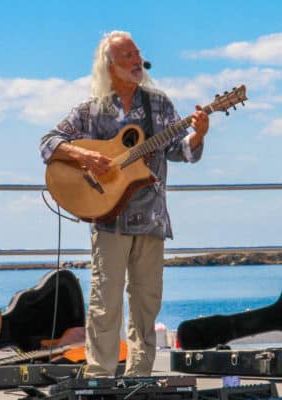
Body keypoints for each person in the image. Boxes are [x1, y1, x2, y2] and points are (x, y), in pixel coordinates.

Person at [39, 30, 209, 377]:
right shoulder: (93, 110)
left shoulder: (159, 104)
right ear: (110, 66)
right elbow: (48, 143)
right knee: (106, 303)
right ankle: (100, 377)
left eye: (137, 54)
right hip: (109, 219)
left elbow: (180, 151)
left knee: (146, 303)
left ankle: (139, 377)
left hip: (151, 219)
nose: (136, 61)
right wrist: (86, 156)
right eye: (127, 56)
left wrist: (200, 133)